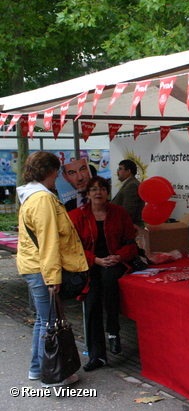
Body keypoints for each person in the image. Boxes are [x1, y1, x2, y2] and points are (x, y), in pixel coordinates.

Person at [16, 151, 88, 386]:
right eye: (57, 170)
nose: (59, 174)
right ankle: (52, 375)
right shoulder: (43, 199)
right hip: (41, 268)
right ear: (49, 171)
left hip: (34, 266)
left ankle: (38, 369)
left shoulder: (33, 196)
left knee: (43, 320)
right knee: (48, 322)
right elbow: (48, 241)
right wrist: (53, 277)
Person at [68, 176, 138, 372]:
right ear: (87, 194)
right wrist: (96, 260)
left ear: (107, 192)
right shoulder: (76, 216)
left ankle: (113, 331)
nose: (98, 192)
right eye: (93, 189)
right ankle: (97, 356)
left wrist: (118, 256)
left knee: (109, 278)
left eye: (102, 189)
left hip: (115, 263)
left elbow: (131, 244)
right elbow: (73, 249)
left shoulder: (120, 213)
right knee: (91, 303)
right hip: (90, 266)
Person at [111, 159, 145, 226]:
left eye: (120, 169)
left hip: (128, 227)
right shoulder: (129, 184)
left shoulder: (131, 186)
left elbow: (129, 211)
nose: (117, 171)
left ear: (128, 171)